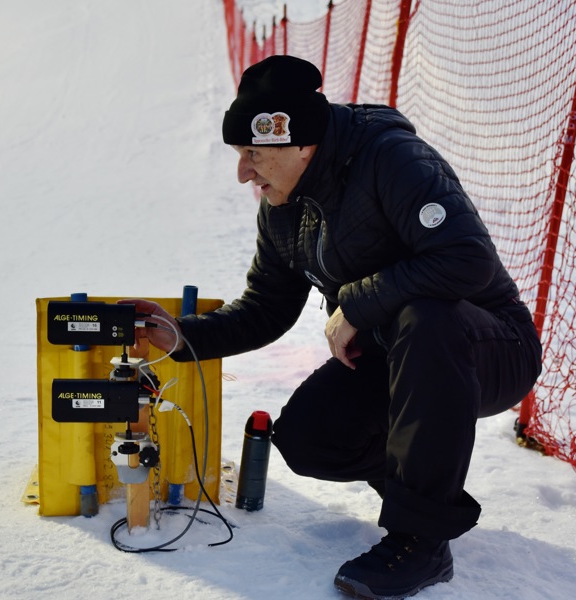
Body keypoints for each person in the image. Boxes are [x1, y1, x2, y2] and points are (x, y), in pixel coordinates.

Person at [123, 55, 542, 599]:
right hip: (395, 356)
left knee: (427, 316)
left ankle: (421, 540)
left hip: (487, 346)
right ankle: (421, 496)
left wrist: (357, 305)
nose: (243, 172)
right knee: (309, 437)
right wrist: (181, 336)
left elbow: (466, 259)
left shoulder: (392, 159)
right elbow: (267, 308)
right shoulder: (281, 207)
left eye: (253, 154)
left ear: (300, 142)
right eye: (239, 155)